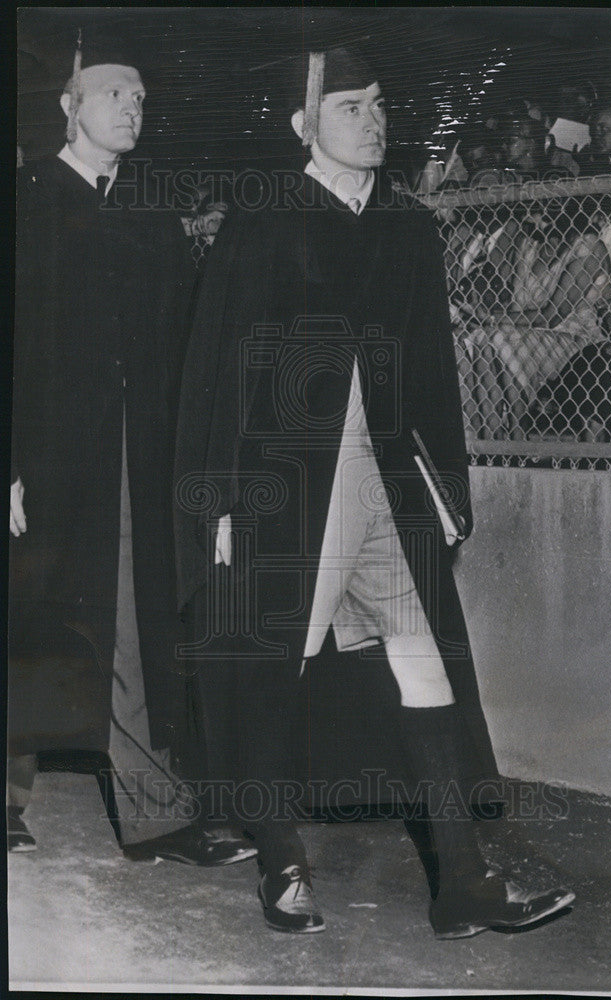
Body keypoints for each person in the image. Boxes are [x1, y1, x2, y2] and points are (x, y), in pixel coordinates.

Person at [174, 46, 574, 939]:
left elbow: (431, 372)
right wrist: (223, 502)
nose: (373, 120)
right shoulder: (262, 222)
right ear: (302, 126)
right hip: (289, 495)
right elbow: (218, 373)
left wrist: (445, 489)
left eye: (379, 105)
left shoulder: (405, 224)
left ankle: (463, 883)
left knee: (423, 669)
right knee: (279, 668)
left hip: (385, 493)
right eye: (350, 106)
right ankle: (282, 864)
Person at [9, 34, 255, 868]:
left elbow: (188, 344)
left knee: (124, 620)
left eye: (142, 97)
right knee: (26, 610)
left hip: (128, 460)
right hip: (39, 457)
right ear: (68, 105)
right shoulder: (27, 200)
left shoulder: (153, 212)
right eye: (116, 93)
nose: (133, 108)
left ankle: (154, 812)